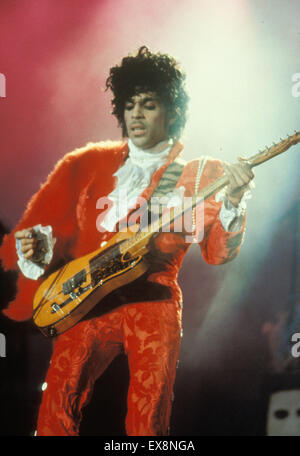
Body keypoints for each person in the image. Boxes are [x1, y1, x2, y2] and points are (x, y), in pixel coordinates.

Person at [0, 46, 254, 436]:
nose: (135, 114)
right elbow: (62, 241)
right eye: (129, 104)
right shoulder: (87, 162)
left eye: (148, 104)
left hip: (152, 299)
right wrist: (41, 252)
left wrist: (233, 201)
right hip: (86, 298)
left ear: (172, 112)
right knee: (55, 411)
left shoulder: (201, 173)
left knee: (147, 419)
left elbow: (218, 254)